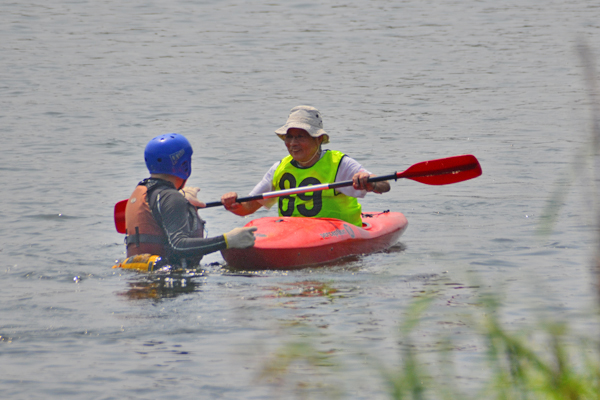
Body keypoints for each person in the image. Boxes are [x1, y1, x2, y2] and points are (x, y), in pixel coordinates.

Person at [221, 105, 390, 226]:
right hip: (294, 233)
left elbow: (384, 185)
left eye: (300, 136)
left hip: (338, 232)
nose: (293, 143)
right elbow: (248, 208)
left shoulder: (338, 163)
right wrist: (232, 203)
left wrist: (369, 181)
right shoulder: (279, 168)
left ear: (317, 139)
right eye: (289, 137)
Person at [125, 133, 257, 268]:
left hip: (140, 281)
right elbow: (178, 246)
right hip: (170, 284)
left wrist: (182, 197)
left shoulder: (141, 193)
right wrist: (227, 240)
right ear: (184, 164)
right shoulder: (171, 198)